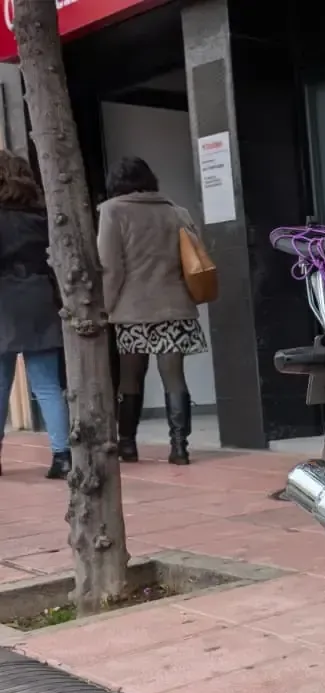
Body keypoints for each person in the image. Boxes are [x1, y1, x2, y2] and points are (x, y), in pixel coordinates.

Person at [96, 156, 208, 466]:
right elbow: (195, 257)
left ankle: (128, 444)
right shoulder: (177, 212)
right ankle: (179, 448)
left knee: (130, 378)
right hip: (175, 307)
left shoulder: (112, 211)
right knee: (174, 378)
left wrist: (105, 308)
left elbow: (111, 267)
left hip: (133, 310)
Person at [0, 151, 70, 479]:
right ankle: (62, 456)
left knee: (0, 384)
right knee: (47, 385)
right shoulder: (43, 216)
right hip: (40, 295)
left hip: (3, 298)